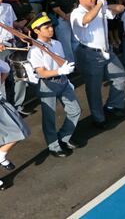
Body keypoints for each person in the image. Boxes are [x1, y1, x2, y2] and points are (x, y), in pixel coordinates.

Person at [70, 0, 125, 129]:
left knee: (120, 76)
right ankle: (98, 118)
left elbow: (120, 8)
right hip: (90, 54)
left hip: (107, 51)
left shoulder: (99, 8)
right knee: (94, 88)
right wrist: (100, 5)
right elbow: (86, 19)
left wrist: (106, 5)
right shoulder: (76, 13)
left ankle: (113, 105)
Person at [27, 13, 80, 157]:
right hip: (47, 85)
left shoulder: (57, 43)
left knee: (75, 110)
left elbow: (60, 61)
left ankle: (64, 137)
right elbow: (41, 73)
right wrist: (59, 70)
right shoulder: (35, 50)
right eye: (46, 27)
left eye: (51, 26)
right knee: (49, 117)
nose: (51, 29)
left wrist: (66, 77)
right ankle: (53, 146)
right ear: (37, 31)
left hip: (62, 81)